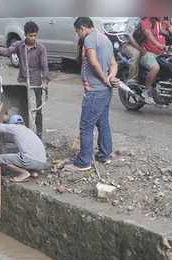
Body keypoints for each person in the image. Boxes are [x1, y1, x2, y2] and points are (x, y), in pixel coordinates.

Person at [65, 17, 119, 172]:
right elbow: (114, 64)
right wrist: (111, 77)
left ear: (83, 28)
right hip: (105, 91)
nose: (78, 35)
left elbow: (94, 62)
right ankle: (104, 154)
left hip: (95, 91)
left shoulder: (89, 39)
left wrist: (104, 79)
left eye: (77, 32)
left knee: (86, 126)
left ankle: (83, 162)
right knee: (103, 123)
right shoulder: (106, 39)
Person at [0, 21, 50, 139]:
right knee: (23, 107)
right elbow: (8, 51)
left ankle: (38, 133)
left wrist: (45, 82)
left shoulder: (41, 48)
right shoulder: (19, 45)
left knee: (37, 108)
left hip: (37, 83)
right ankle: (24, 131)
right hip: (23, 81)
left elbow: (45, 67)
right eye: (30, 36)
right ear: (25, 35)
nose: (33, 38)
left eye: (35, 35)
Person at [139, 17, 172, 104]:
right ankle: (146, 92)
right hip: (148, 53)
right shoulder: (146, 22)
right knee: (155, 68)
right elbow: (149, 35)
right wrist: (159, 45)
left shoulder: (165, 22)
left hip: (162, 54)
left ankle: (165, 88)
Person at [0, 105, 47, 183]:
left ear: (12, 123)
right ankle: (33, 172)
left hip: (30, 161)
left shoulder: (14, 127)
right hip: (42, 163)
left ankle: (24, 173)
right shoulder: (28, 130)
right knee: (23, 156)